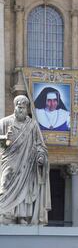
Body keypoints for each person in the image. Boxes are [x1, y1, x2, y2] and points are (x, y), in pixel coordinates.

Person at [0, 95, 50, 225]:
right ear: (14, 107)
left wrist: (40, 156)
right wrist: (5, 138)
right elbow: (2, 142)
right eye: (19, 107)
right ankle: (6, 213)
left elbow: (40, 144)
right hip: (9, 161)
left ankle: (22, 216)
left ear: (27, 108)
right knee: (4, 184)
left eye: (23, 107)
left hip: (26, 163)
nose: (21, 110)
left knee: (25, 189)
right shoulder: (4, 122)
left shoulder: (32, 125)